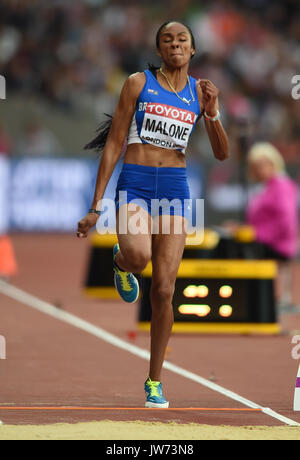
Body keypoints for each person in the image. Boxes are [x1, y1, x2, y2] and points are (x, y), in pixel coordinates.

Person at [77, 21, 229, 408]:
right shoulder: (137, 83)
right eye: (167, 40)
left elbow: (222, 153)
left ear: (192, 50)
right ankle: (122, 261)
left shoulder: (200, 92)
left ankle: (154, 380)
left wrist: (211, 114)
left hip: (176, 190)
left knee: (163, 290)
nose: (175, 44)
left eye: (182, 40)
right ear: (159, 49)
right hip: (137, 185)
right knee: (140, 257)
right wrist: (96, 206)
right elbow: (113, 144)